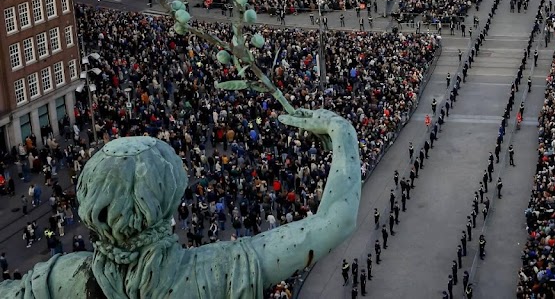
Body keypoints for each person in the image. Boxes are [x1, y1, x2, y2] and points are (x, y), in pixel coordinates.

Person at [0, 110, 360, 299]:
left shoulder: (59, 278)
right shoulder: (220, 270)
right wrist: (343, 133)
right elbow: (336, 221)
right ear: (169, 199)